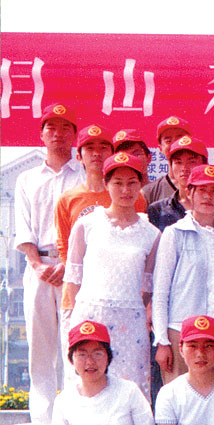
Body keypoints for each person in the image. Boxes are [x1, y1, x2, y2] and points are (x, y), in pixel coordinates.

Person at [13, 103, 84, 425]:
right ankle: (41, 424)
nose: (58, 134)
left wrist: (69, 264)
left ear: (75, 134)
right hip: (38, 268)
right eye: (51, 128)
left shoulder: (84, 175)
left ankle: (73, 424)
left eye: (65, 127)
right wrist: (36, 263)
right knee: (40, 348)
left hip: (76, 270)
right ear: (41, 134)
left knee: (74, 346)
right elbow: (22, 226)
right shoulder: (27, 179)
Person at [65, 153, 160, 399]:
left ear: (141, 184)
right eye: (118, 183)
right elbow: (73, 279)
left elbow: (147, 285)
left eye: (132, 183)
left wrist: (131, 309)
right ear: (106, 183)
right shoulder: (87, 224)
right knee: (87, 383)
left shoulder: (151, 234)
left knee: (130, 387)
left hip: (131, 320)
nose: (125, 190)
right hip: (91, 316)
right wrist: (77, 319)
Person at [54, 125, 146, 357]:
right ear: (78, 155)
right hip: (79, 300)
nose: (96, 153)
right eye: (89, 148)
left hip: (122, 303)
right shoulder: (67, 199)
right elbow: (65, 250)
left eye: (103, 147)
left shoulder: (133, 198)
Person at [153, 164, 214, 383]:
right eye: (201, 190)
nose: (208, 196)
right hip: (181, 334)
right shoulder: (174, 234)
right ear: (189, 193)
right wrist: (162, 341)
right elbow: (160, 292)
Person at [147, 136, 214, 231]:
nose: (184, 168)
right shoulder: (157, 210)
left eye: (192, 162)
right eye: (178, 162)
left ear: (205, 164)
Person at [142, 115, 192, 205]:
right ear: (160, 148)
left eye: (180, 139)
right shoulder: (150, 192)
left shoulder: (208, 187)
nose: (175, 144)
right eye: (168, 141)